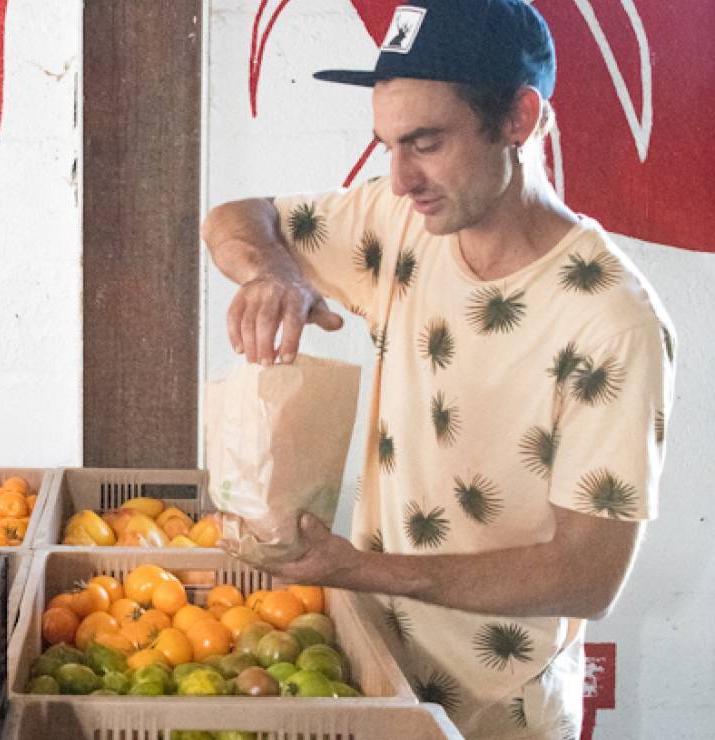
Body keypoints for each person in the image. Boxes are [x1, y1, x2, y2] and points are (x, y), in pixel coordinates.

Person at [201, 1, 675, 738]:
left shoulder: (609, 320)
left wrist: (355, 570)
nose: (399, 178)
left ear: (520, 118)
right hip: (372, 670)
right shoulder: (402, 226)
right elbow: (236, 216)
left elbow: (588, 575)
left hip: (500, 712)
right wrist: (275, 275)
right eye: (387, 145)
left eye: (425, 142)